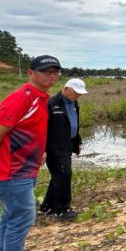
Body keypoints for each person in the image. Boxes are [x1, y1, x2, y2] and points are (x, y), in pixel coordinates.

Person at [0, 55, 62, 251]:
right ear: (31, 73)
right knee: (20, 220)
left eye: (55, 71)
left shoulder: (39, 99)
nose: (51, 75)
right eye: (46, 71)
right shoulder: (20, 99)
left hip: (24, 170)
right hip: (12, 173)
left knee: (10, 219)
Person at [40, 78, 88, 220]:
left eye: (80, 94)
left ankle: (47, 206)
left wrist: (77, 141)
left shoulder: (74, 103)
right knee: (64, 175)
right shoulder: (52, 103)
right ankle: (61, 210)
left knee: (58, 176)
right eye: (76, 93)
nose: (78, 96)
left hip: (68, 144)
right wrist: (42, 150)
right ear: (66, 89)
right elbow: (42, 129)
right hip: (54, 146)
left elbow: (74, 124)